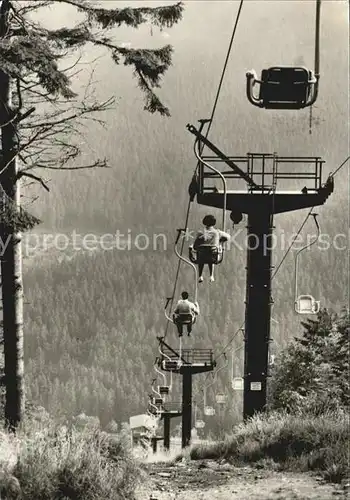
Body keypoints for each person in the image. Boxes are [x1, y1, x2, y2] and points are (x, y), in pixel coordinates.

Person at [191, 214, 230, 283]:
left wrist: (192, 247)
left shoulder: (200, 233)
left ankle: (200, 276)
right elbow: (228, 237)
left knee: (202, 254)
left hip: (201, 257)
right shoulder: (217, 232)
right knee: (212, 253)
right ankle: (211, 275)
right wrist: (220, 240)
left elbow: (195, 246)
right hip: (213, 257)